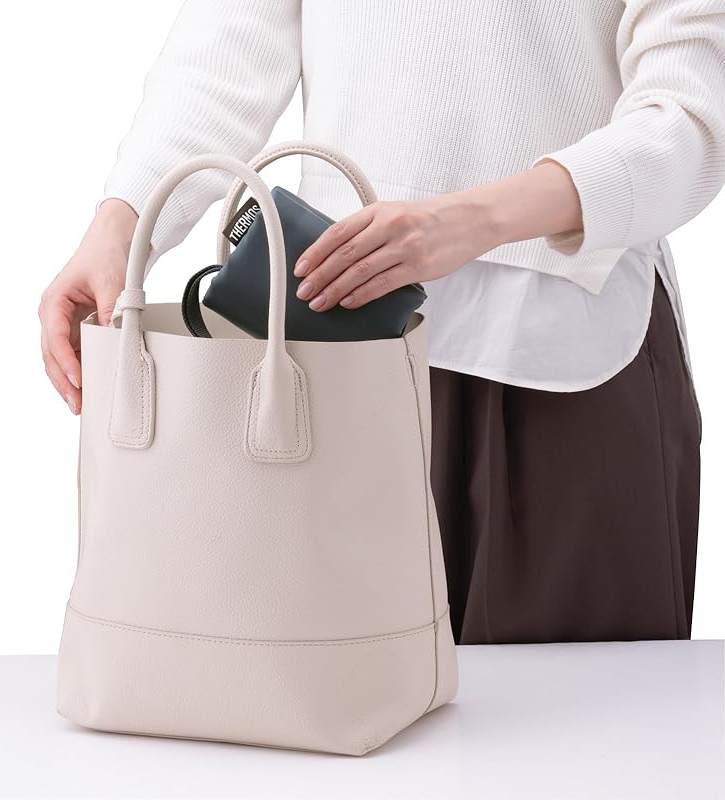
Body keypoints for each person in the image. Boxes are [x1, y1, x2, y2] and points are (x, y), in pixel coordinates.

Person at [39, 2, 725, 644]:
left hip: (568, 365)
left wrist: (471, 220)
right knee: (319, 700)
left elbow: (691, 112)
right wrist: (121, 224)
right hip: (333, 359)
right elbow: (225, 50)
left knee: (584, 719)